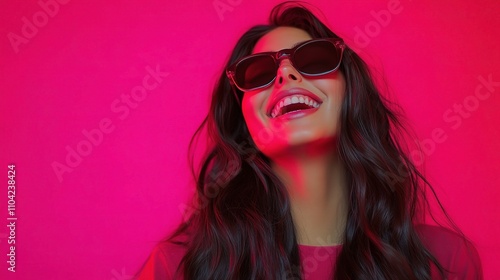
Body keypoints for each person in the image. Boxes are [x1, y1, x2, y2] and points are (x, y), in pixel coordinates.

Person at [136, 2, 483, 279]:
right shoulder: (178, 268)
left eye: (314, 59)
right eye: (257, 72)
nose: (286, 73)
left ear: (351, 93)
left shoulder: (445, 263)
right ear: (243, 123)